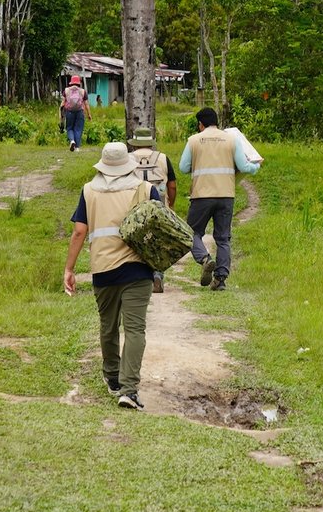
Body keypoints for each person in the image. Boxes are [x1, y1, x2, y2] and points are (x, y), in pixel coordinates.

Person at [63, 142, 161, 410]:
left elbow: (79, 231)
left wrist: (69, 269)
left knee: (108, 326)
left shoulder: (89, 191)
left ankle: (113, 377)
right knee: (135, 329)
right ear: (128, 164)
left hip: (103, 269)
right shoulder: (146, 189)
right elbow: (162, 226)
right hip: (138, 268)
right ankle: (129, 390)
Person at [179, 106, 261, 291]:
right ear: (217, 122)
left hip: (201, 195)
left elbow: (183, 168)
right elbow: (244, 166)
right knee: (223, 238)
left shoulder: (193, 140)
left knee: (191, 232)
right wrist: (256, 167)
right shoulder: (231, 140)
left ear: (200, 124)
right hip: (226, 196)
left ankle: (205, 258)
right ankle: (220, 279)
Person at [127, 126, 178, 294]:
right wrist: (170, 204)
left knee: (136, 240)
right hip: (158, 205)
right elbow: (172, 185)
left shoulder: (128, 159)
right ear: (151, 143)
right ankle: (157, 274)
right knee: (157, 241)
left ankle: (137, 277)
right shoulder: (163, 158)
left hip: (134, 206)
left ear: (134, 144)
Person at [61, 75, 90, 151]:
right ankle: (77, 147)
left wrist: (61, 114)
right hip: (80, 112)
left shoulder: (66, 91)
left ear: (71, 82)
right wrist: (89, 114)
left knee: (69, 128)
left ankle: (72, 140)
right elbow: (86, 104)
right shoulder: (83, 91)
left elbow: (63, 103)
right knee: (78, 129)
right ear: (78, 83)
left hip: (69, 112)